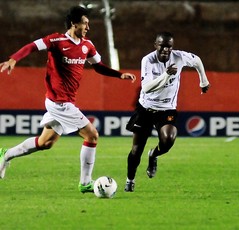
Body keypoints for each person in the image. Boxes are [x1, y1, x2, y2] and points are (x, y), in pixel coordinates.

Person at [0, 6, 136, 193]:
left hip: (65, 102)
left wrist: (119, 75)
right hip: (59, 102)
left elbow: (99, 66)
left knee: (45, 142)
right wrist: (13, 59)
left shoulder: (87, 45)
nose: (88, 26)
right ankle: (85, 182)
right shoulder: (56, 40)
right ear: (74, 23)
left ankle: (6, 154)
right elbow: (32, 46)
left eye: (88, 23)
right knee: (92, 135)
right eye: (85, 23)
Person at [124, 31, 210, 192]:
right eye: (162, 46)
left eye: (169, 46)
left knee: (168, 139)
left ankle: (154, 155)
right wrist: (165, 75)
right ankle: (130, 179)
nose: (165, 49)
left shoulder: (179, 57)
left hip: (166, 109)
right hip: (145, 109)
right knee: (136, 150)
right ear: (155, 45)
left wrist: (203, 80)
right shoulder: (148, 60)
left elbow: (196, 60)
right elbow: (147, 88)